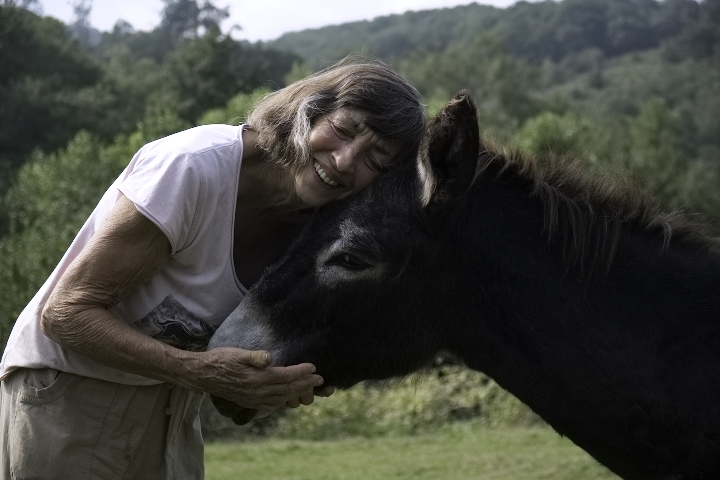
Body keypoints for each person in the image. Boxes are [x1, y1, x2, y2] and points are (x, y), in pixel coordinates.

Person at [0, 56, 425, 479]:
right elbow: (65, 314)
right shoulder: (194, 167)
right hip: (71, 392)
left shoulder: (321, 223)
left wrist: (274, 384)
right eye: (343, 130)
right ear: (308, 111)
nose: (346, 160)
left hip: (172, 404)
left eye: (377, 159)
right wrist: (203, 372)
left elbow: (235, 374)